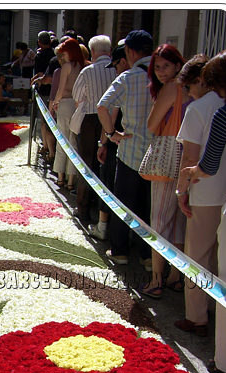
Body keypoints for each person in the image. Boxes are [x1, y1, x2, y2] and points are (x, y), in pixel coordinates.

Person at [178, 49, 226, 373]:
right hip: (225, 194)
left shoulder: (217, 111)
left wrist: (185, 181)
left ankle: (202, 323)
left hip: (214, 195)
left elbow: (205, 164)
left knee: (203, 260)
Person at [97, 30, 154, 270]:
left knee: (124, 202)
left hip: (130, 150)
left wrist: (111, 134)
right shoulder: (170, 77)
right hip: (159, 155)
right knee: (150, 208)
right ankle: (149, 256)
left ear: (129, 51)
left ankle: (120, 251)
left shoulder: (128, 77)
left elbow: (103, 106)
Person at [139, 44, 192, 299]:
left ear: (178, 65)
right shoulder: (192, 88)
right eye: (157, 67)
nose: (161, 72)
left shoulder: (171, 88)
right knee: (179, 220)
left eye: (166, 66)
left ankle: (156, 279)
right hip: (188, 153)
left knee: (159, 220)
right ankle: (175, 277)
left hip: (167, 154)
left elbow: (151, 124)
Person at [71, 34, 117, 220]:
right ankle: (104, 213)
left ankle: (83, 208)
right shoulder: (118, 71)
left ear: (93, 52)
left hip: (91, 119)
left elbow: (77, 96)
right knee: (106, 167)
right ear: (109, 51)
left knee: (87, 163)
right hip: (113, 121)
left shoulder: (88, 71)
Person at [89, 43, 130, 240]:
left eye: (116, 65)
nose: (115, 70)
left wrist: (104, 141)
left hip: (118, 142)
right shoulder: (149, 80)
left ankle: (104, 227)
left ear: (123, 61)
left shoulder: (125, 81)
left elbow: (108, 111)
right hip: (137, 144)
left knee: (108, 184)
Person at [49, 38, 84, 190]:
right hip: (78, 106)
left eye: (64, 53)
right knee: (73, 143)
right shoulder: (84, 66)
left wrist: (55, 103)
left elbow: (61, 89)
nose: (62, 57)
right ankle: (71, 180)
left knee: (62, 141)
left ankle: (61, 177)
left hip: (65, 105)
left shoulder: (67, 67)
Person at [31, 31, 56, 159]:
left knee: (45, 122)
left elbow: (41, 74)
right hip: (56, 92)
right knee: (51, 122)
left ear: (39, 42)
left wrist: (35, 80)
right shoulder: (55, 54)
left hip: (45, 92)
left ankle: (46, 147)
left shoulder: (40, 56)